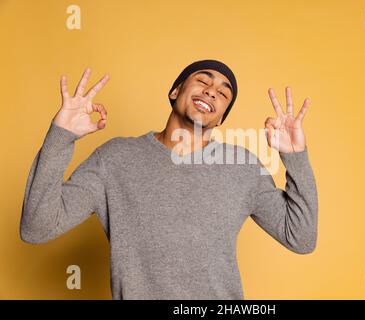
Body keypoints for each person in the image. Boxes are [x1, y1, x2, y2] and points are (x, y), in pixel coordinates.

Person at [20, 59, 318, 300]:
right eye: (203, 80)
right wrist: (61, 136)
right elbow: (37, 227)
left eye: (224, 93)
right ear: (175, 91)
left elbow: (301, 238)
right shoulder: (115, 158)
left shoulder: (242, 168)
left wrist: (295, 156)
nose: (212, 91)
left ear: (221, 118)